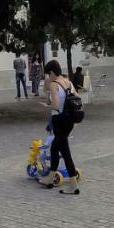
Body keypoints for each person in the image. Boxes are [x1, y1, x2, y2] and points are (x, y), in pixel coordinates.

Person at [37, 60, 81, 195]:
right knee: (55, 147)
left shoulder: (54, 85)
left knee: (65, 152)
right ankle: (49, 179)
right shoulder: (68, 82)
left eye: (47, 74)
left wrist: (46, 106)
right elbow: (78, 98)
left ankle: (73, 186)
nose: (47, 77)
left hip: (59, 120)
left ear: (51, 72)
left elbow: (55, 105)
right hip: (69, 121)